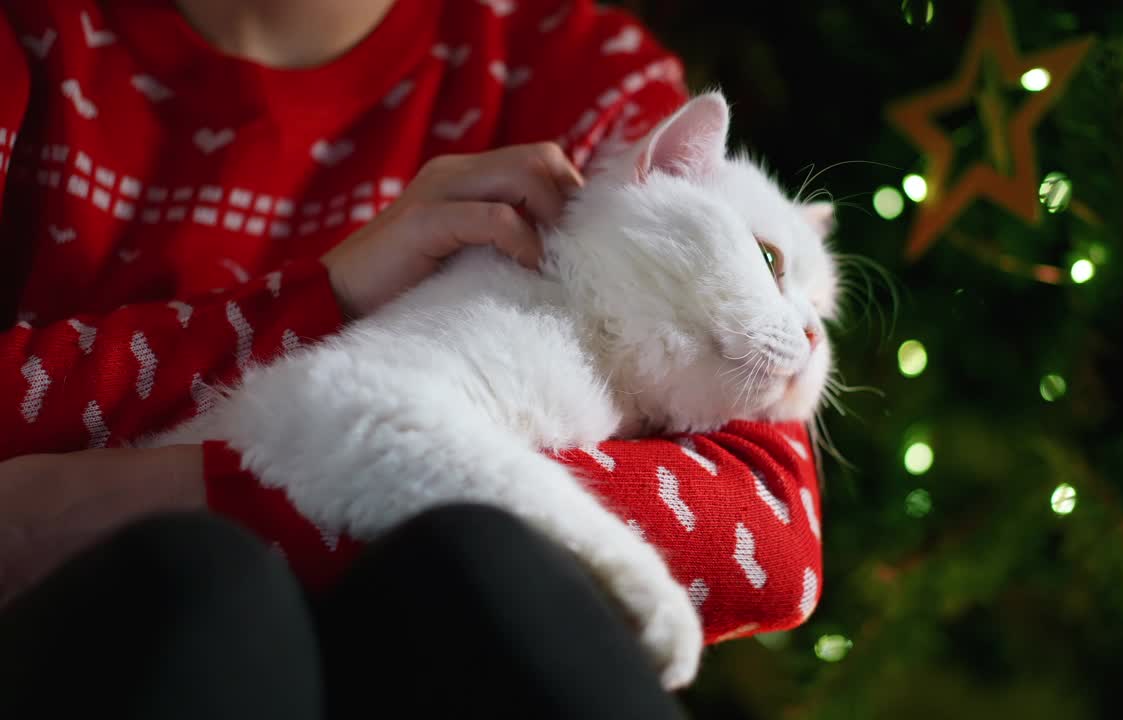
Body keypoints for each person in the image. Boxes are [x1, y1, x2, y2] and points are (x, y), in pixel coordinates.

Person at [0, 0, 824, 714]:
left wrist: (189, 489)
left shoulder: (571, 60)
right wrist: (325, 295)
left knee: (484, 557)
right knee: (207, 590)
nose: (810, 333)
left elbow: (776, 535)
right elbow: (357, 415)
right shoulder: (32, 33)